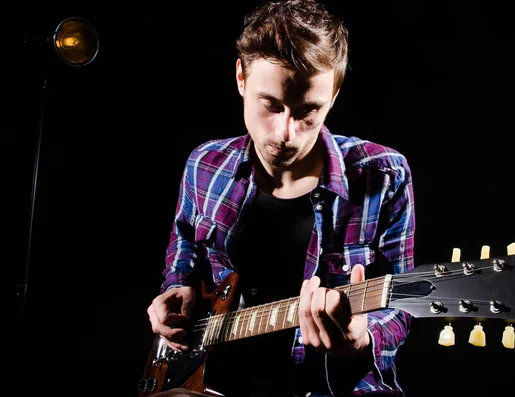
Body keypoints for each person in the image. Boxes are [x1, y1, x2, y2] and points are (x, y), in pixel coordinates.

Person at [145, 0, 415, 395]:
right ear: (241, 78)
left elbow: (403, 301)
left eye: (307, 111)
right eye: (270, 105)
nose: (285, 133)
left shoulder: (383, 176)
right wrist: (178, 285)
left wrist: (359, 336)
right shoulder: (205, 164)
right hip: (205, 381)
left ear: (334, 94)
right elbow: (184, 243)